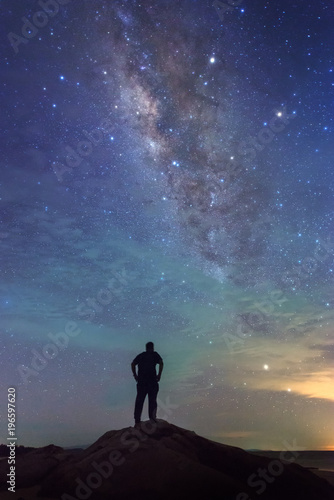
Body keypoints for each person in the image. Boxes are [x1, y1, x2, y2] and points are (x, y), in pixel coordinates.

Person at [131, 342, 163, 425]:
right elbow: (161, 363)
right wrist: (159, 375)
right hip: (152, 381)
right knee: (152, 400)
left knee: (139, 400)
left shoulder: (141, 355)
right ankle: (152, 418)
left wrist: (135, 375)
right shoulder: (154, 354)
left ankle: (137, 420)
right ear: (152, 347)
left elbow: (133, 363)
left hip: (142, 382)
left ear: (146, 348)